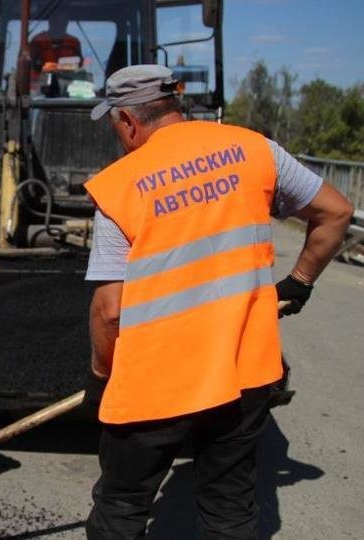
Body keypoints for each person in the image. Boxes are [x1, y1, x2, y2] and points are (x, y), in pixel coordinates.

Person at [83, 65, 354, 539]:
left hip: (155, 381)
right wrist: (299, 281)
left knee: (122, 507)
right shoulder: (256, 149)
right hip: (242, 370)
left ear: (127, 120)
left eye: (113, 124)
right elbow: (337, 212)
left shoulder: (118, 186)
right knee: (229, 510)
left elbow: (110, 309)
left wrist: (101, 375)